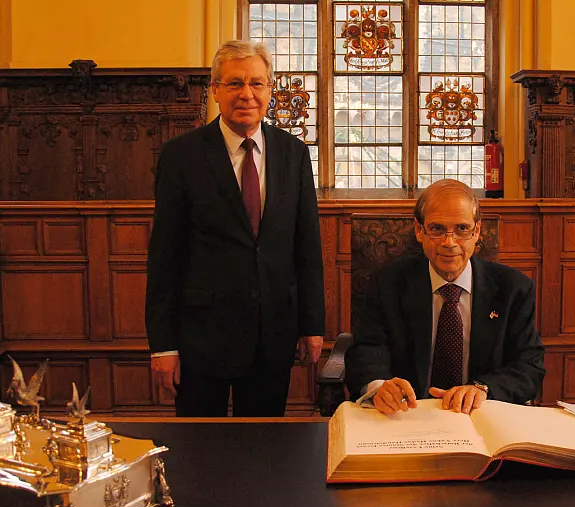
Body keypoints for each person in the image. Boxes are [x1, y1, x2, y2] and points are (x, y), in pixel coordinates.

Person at [145, 40, 325, 417]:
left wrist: (312, 324)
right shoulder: (182, 156)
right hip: (201, 337)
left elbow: (306, 246)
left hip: (272, 333)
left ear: (270, 90)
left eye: (257, 84)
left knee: (264, 448)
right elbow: (164, 257)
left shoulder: (294, 154)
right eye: (234, 84)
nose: (247, 94)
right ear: (215, 90)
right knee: (198, 452)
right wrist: (163, 346)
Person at [345, 179, 545, 415]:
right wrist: (379, 387)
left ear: (477, 231)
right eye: (437, 229)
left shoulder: (514, 288)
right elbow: (366, 349)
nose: (449, 243)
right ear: (419, 230)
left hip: (480, 415)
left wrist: (483, 389)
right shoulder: (387, 283)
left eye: (462, 229)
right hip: (407, 415)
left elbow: (529, 365)